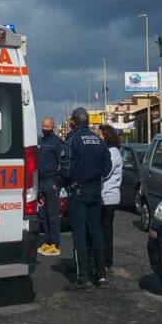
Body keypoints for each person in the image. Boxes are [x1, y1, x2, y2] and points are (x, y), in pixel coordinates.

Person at [60, 108, 112, 291]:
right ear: (88, 122)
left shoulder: (72, 141)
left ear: (74, 122)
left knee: (80, 233)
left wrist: (65, 182)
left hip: (78, 193)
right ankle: (102, 276)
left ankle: (83, 278)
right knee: (96, 232)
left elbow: (66, 170)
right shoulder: (99, 141)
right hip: (95, 192)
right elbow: (107, 169)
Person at [96, 125, 123, 270]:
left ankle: (106, 260)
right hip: (106, 196)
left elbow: (105, 173)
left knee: (105, 230)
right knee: (105, 229)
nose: (97, 138)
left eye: (99, 135)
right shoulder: (110, 152)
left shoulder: (112, 153)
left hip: (108, 197)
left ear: (106, 136)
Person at [37, 117, 63, 256]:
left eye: (48, 126)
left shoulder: (57, 142)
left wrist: (56, 183)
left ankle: (55, 243)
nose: (45, 128)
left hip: (51, 182)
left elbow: (63, 164)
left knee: (52, 215)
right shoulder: (39, 141)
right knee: (43, 215)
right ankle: (47, 241)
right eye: (43, 125)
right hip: (39, 183)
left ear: (52, 127)